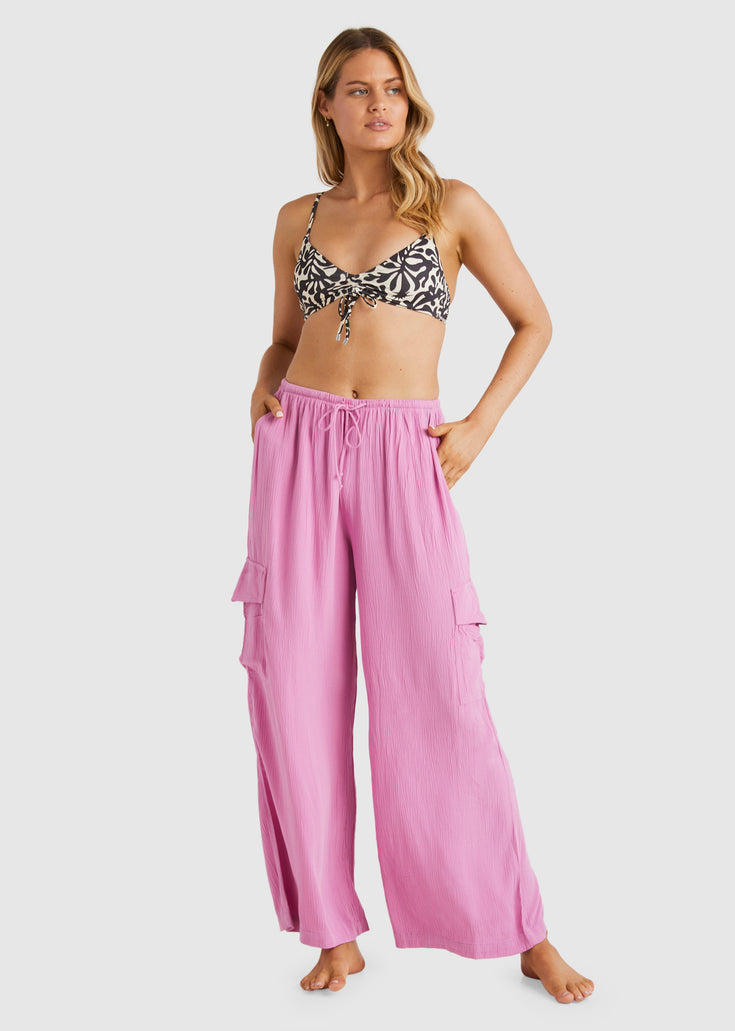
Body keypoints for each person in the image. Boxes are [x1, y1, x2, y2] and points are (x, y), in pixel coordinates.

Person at [231, 26, 595, 1004]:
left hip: (405, 453)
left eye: (392, 87)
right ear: (328, 106)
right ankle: (333, 931)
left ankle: (521, 929)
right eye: (357, 90)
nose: (378, 104)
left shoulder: (452, 207)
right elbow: (282, 340)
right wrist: (261, 387)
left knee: (441, 687)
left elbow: (535, 322)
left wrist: (476, 425)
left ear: (411, 101)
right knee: (291, 687)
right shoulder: (297, 217)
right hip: (299, 452)